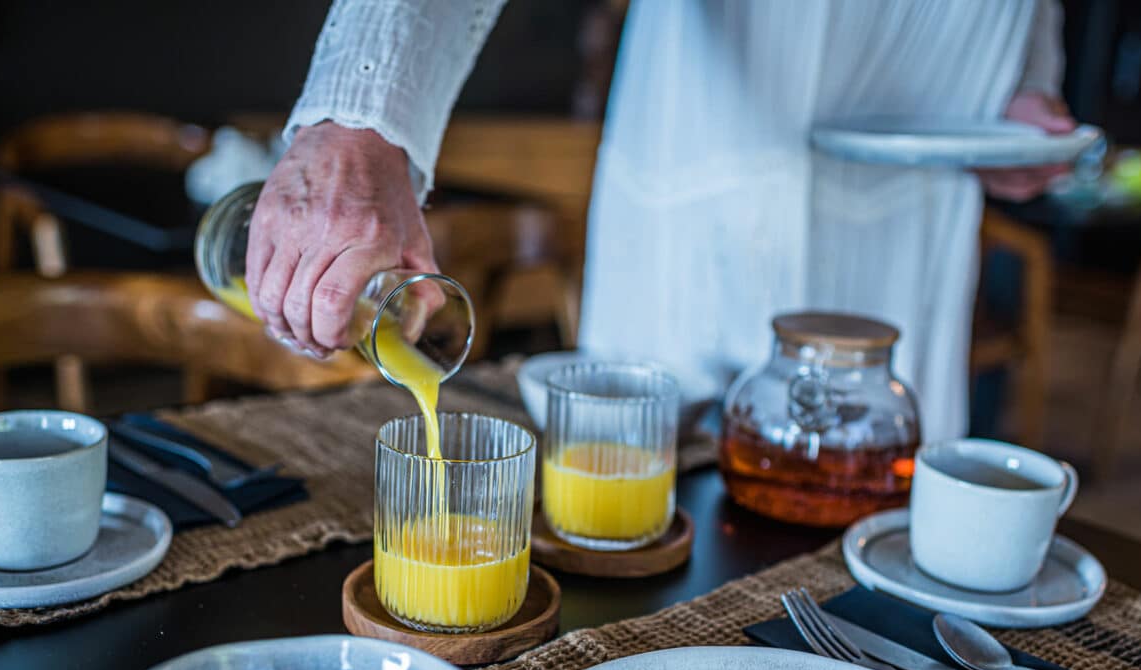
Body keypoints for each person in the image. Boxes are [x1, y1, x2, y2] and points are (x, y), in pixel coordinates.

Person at [248, 0, 1073, 441]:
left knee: (877, 501)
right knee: (665, 493)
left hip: (912, 219)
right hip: (713, 155)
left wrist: (1022, 81)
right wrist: (362, 114)